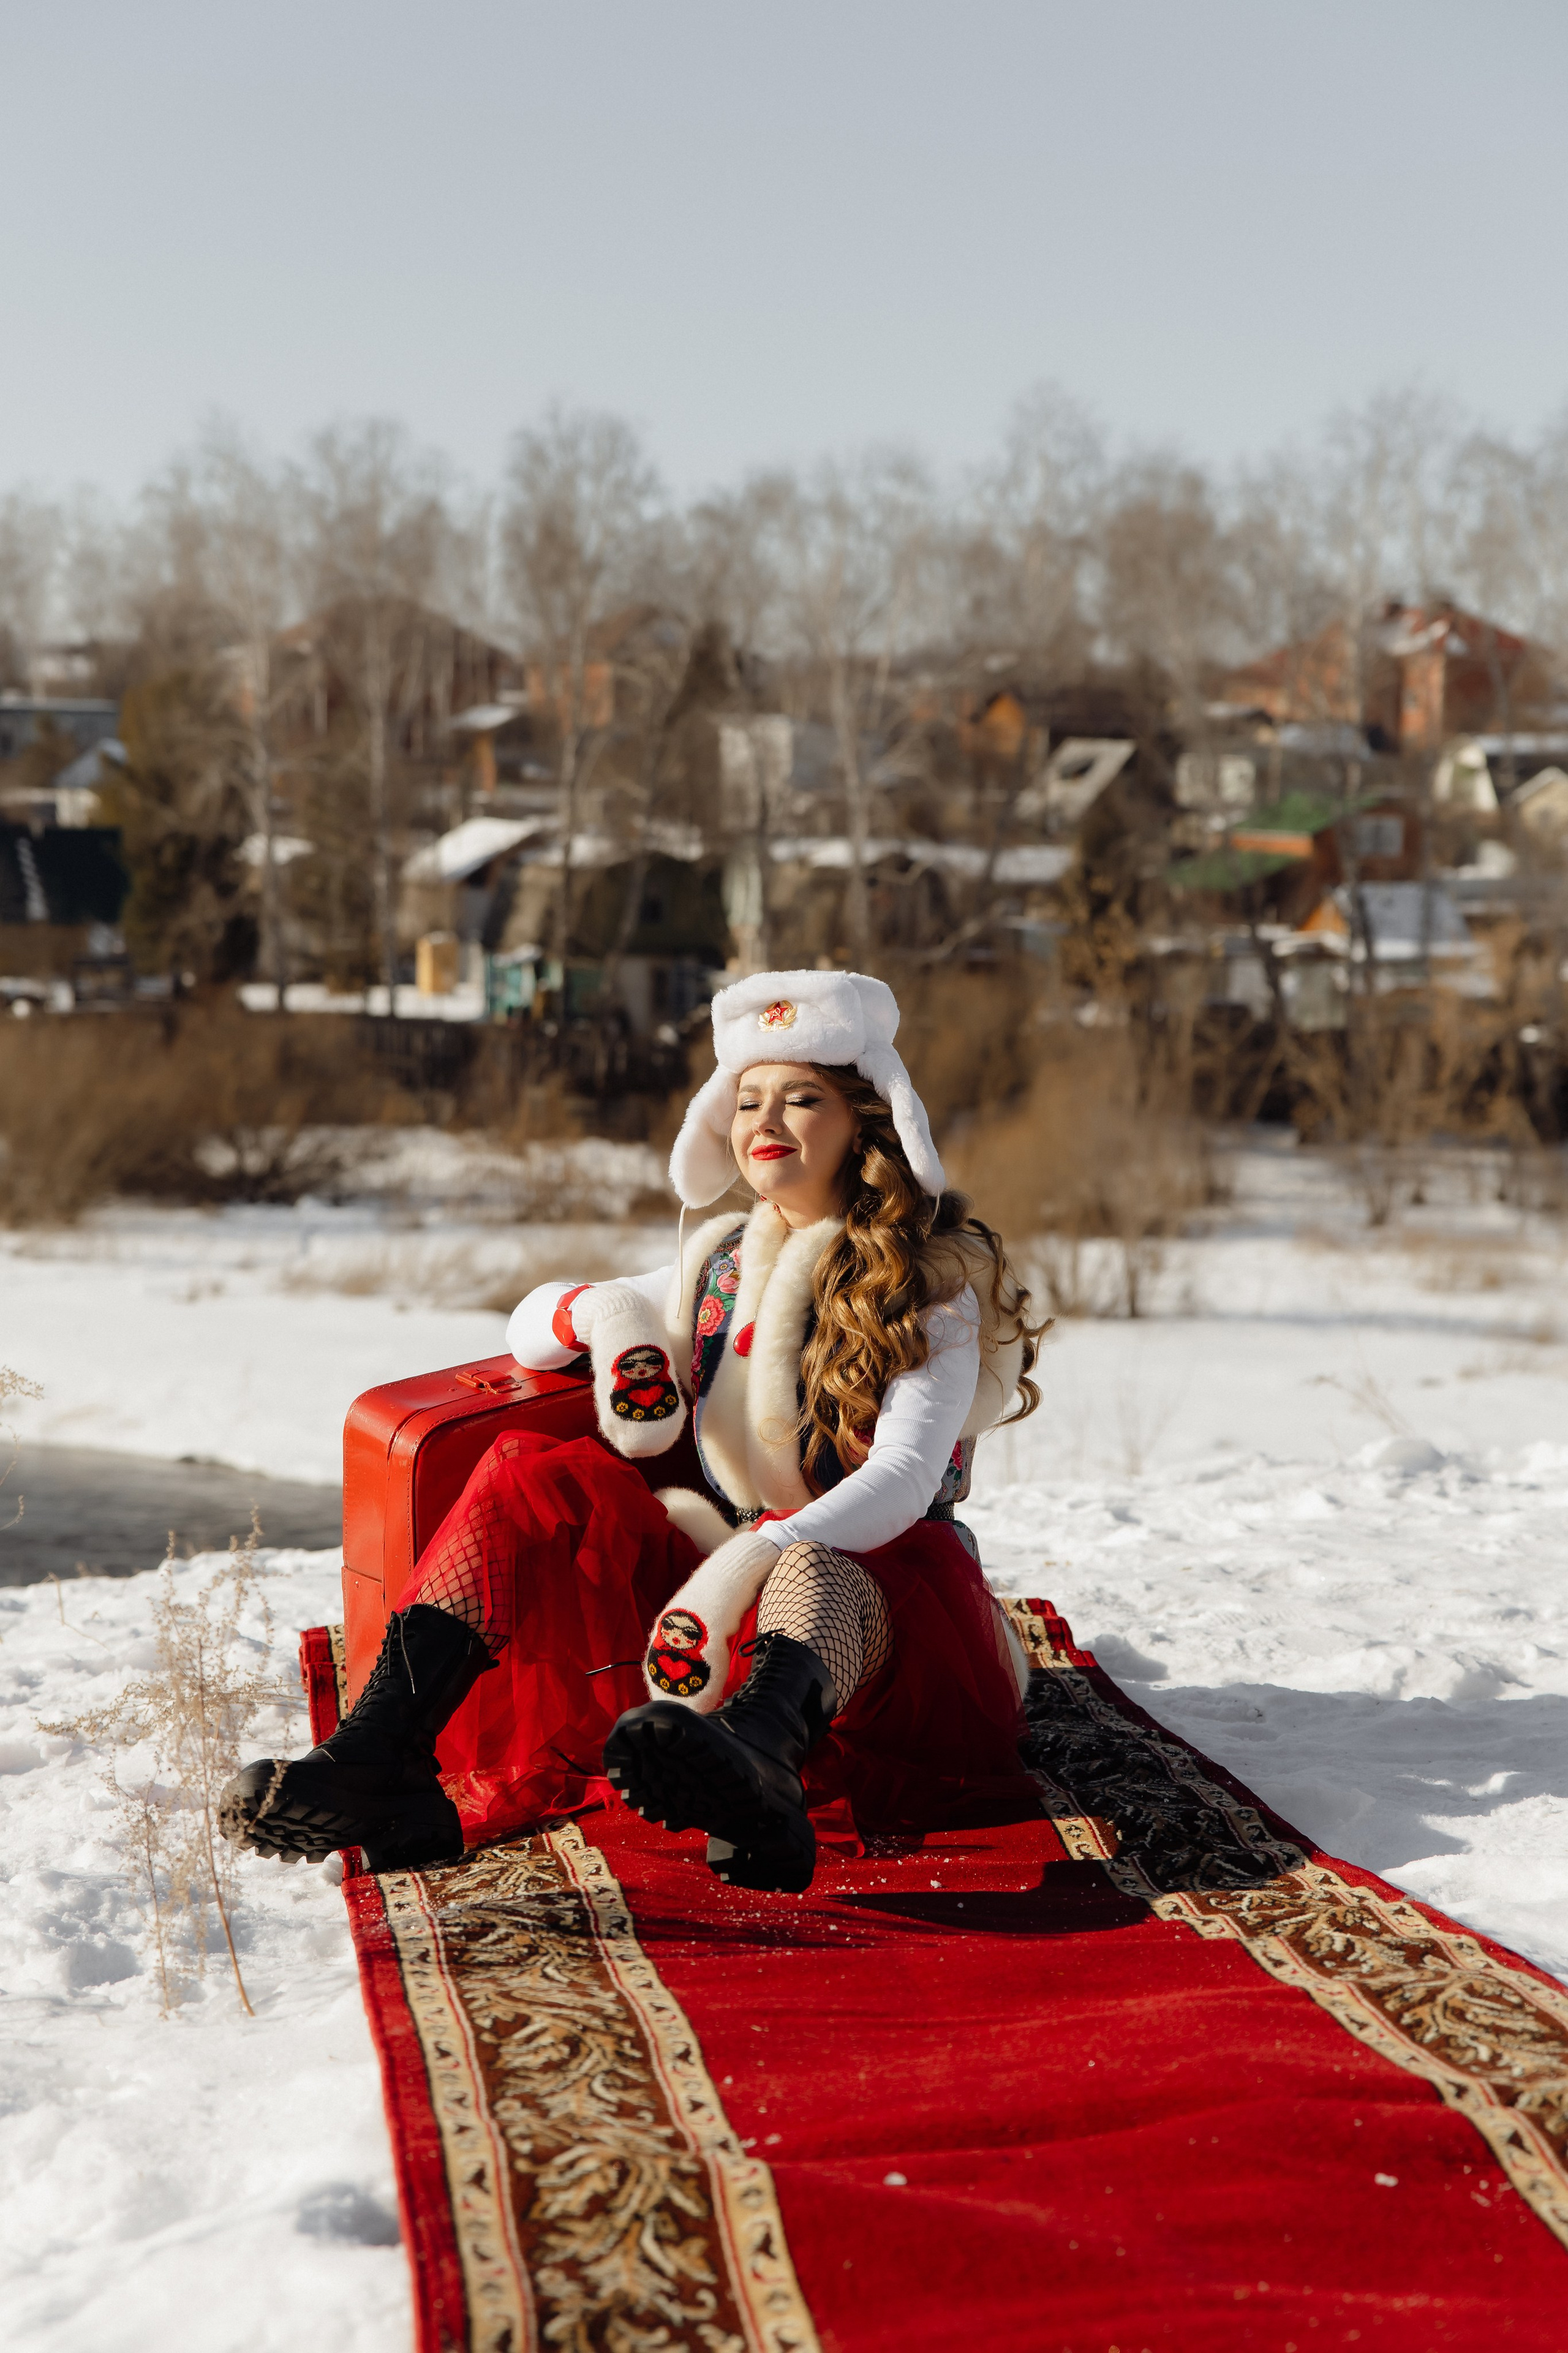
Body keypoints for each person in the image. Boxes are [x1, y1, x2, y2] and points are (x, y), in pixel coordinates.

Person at [219, 969, 1046, 1893]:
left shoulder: (936, 1281)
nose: (766, 1121)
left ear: (865, 1122)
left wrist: (759, 1554)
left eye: (803, 1098)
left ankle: (761, 1761)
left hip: (886, 1615)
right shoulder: (723, 1260)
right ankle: (379, 1757)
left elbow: (904, 1476)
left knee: (813, 1566)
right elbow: (530, 1325)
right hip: (725, 1582)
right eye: (748, 1101)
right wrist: (608, 1317)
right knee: (526, 1472)